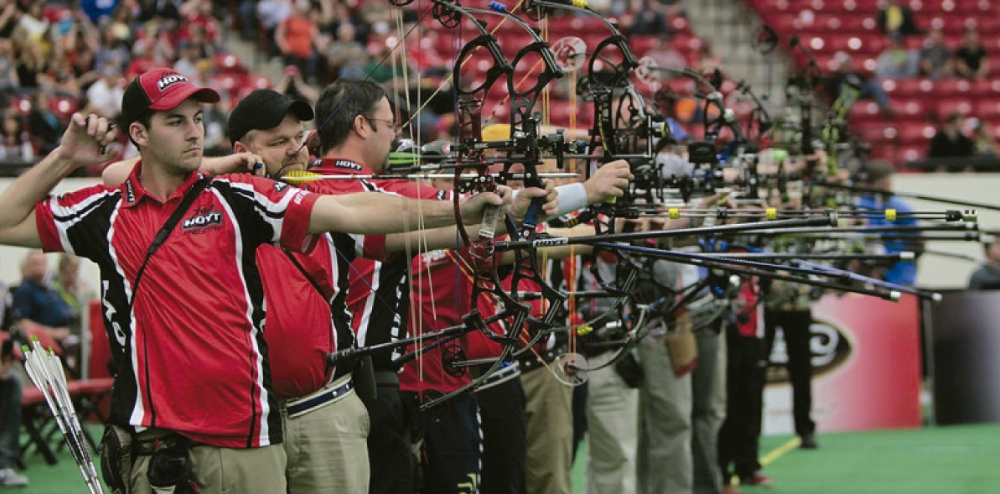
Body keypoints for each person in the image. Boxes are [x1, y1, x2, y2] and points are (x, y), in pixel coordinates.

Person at [0, 67, 506, 494]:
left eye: (198, 119)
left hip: (244, 436)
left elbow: (348, 207)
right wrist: (66, 156)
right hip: (156, 442)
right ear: (138, 134)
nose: (194, 131)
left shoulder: (237, 197)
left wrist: (458, 210)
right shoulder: (107, 212)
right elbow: (7, 219)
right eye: (175, 122)